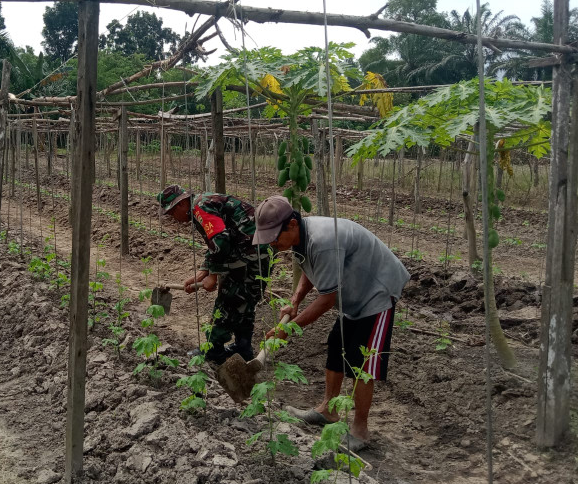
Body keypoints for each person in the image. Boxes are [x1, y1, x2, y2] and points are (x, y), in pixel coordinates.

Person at [251, 195, 410, 451]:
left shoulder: (323, 241)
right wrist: (295, 300)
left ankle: (360, 430)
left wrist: (286, 330)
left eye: (274, 237)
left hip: (377, 291)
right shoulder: (302, 239)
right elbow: (311, 269)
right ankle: (328, 410)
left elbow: (326, 300)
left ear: (292, 225)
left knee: (361, 362)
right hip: (353, 292)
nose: (272, 243)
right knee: (337, 345)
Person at [156, 185, 270, 364]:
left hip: (248, 253)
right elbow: (216, 243)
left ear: (181, 204)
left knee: (228, 300)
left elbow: (221, 240)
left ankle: (213, 350)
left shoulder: (200, 208)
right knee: (245, 299)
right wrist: (202, 273)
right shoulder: (203, 203)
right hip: (256, 250)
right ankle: (243, 347)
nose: (173, 218)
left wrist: (214, 275)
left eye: (171, 212)